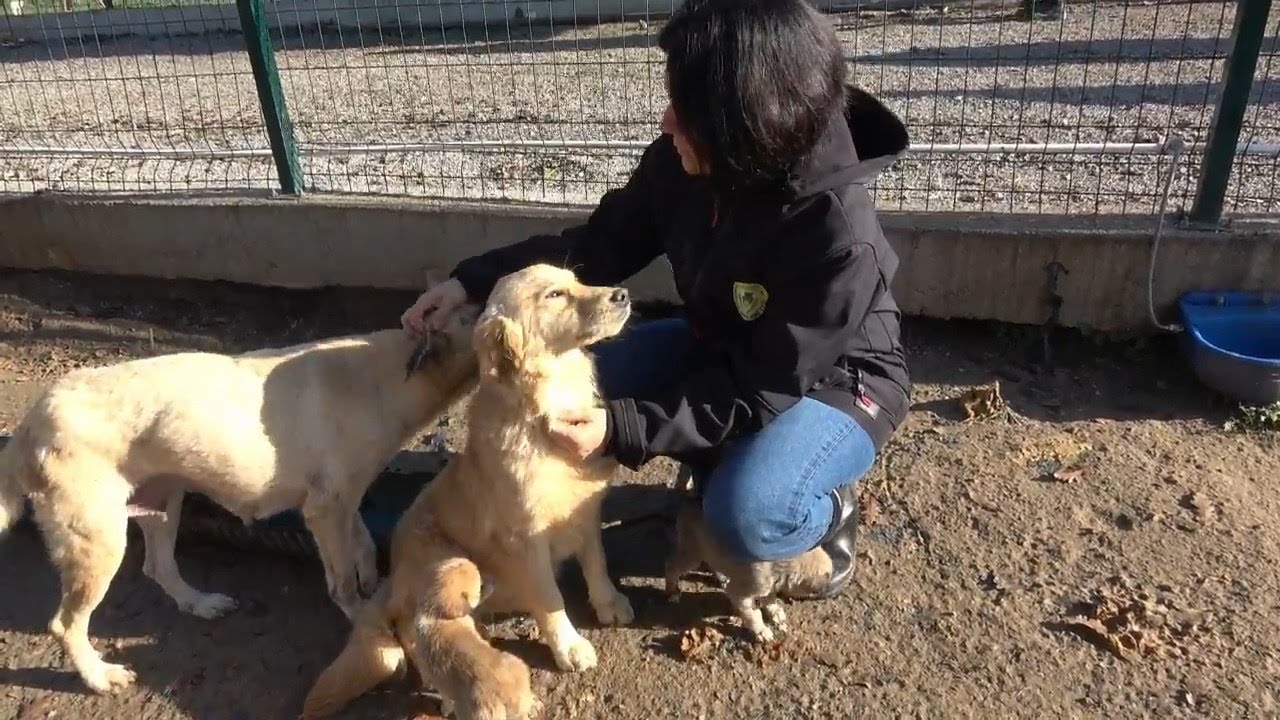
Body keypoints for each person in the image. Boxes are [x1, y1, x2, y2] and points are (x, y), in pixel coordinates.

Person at [402, 0, 910, 598]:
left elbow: (766, 384)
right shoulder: (689, 159)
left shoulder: (836, 236)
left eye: (685, 109)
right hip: (718, 345)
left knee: (745, 513)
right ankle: (721, 458)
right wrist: (473, 284)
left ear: (744, 119)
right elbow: (598, 245)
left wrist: (620, 428)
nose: (667, 121)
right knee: (547, 399)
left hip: (834, 384)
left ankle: (822, 515)